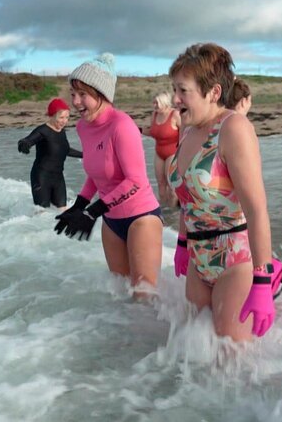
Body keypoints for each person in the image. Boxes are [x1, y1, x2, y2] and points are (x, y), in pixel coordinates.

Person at [167, 43, 277, 342]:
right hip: (197, 257)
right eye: (173, 89)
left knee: (231, 362)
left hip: (235, 260)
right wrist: (180, 242)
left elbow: (257, 210)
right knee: (194, 351)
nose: (174, 99)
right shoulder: (187, 130)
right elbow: (187, 198)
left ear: (213, 92)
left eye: (182, 91)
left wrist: (262, 281)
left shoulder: (234, 128)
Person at [53, 53, 163, 295]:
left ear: (102, 95)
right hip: (112, 221)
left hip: (141, 218)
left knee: (143, 296)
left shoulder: (122, 126)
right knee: (120, 292)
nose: (76, 102)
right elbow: (96, 172)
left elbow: (135, 181)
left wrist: (92, 211)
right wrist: (78, 205)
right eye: (73, 94)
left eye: (83, 95)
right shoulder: (83, 127)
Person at [17, 98, 83, 209]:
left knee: (63, 211)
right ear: (52, 115)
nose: (64, 121)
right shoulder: (43, 131)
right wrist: (24, 145)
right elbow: (27, 141)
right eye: (61, 117)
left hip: (58, 178)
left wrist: (84, 154)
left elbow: (65, 150)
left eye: (67, 117)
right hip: (41, 177)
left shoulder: (61, 131)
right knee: (42, 213)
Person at [141, 92, 181, 206]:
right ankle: (164, 214)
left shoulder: (175, 115)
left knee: (171, 186)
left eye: (157, 103)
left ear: (164, 102)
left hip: (173, 153)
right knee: (161, 184)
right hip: (159, 152)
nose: (154, 105)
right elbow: (152, 132)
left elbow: (185, 132)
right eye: (154, 102)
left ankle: (173, 216)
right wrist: (137, 129)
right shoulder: (154, 115)